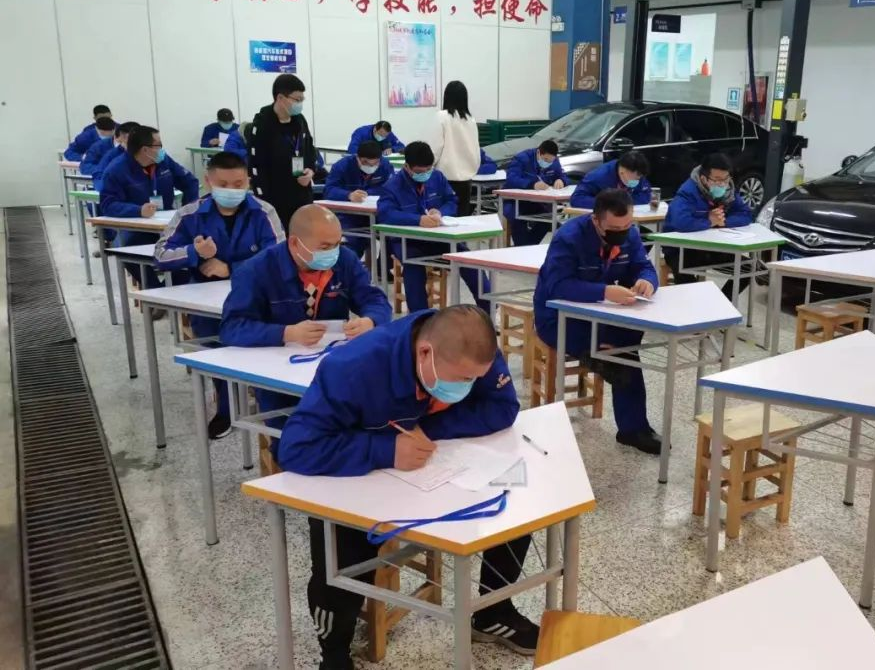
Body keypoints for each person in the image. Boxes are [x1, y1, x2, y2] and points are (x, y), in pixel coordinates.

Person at [277, 305, 538, 668]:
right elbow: (295, 448)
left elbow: (503, 407)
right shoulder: (353, 367)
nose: (467, 387)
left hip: (436, 468)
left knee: (511, 504)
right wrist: (385, 449)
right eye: (462, 379)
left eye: (474, 379)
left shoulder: (474, 350)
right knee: (341, 557)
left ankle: (493, 610)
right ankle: (334, 653)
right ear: (425, 353)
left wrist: (426, 430)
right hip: (364, 480)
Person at [220, 205, 391, 429]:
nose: (333, 253)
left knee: (357, 422)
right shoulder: (256, 271)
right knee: (290, 435)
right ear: (294, 243)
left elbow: (375, 300)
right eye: (325, 247)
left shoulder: (345, 260)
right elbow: (232, 327)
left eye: (338, 244)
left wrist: (370, 320)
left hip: (331, 365)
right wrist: (286, 333)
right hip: (277, 372)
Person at [155, 152, 285, 438]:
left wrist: (231, 268)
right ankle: (226, 409)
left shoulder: (264, 212)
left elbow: (278, 257)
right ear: (208, 181)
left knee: (266, 346)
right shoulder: (190, 214)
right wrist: (194, 252)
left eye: (239, 184)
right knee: (215, 351)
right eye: (223, 184)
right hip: (206, 301)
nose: (232, 190)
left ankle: (269, 406)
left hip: (258, 297)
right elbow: (161, 255)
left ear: (248, 181)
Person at [533, 189, 661, 454]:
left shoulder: (630, 234)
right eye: (615, 228)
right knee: (621, 355)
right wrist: (604, 292)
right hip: (557, 318)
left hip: (600, 315)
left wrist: (647, 281)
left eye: (627, 226)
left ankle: (632, 425)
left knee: (626, 345)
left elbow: (644, 266)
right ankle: (633, 428)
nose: (622, 233)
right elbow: (558, 286)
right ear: (596, 220)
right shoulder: (568, 238)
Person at [376, 141, 489, 313]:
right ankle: (420, 318)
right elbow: (386, 214)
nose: (425, 174)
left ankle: (488, 311)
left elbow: (452, 201)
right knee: (413, 268)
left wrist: (441, 212)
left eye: (428, 169)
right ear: (407, 167)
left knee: (469, 262)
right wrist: (417, 220)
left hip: (440, 238)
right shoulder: (392, 186)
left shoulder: (437, 177)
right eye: (419, 172)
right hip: (408, 242)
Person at [100, 125, 200, 290]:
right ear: (145, 150)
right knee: (125, 248)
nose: (162, 149)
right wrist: (137, 210)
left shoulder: (163, 161)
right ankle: (154, 290)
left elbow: (190, 183)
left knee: (192, 246)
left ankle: (175, 287)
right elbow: (108, 204)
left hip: (168, 225)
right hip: (137, 228)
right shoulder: (117, 169)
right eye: (158, 145)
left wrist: (188, 210)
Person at [662, 153, 752, 299]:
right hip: (680, 249)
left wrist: (723, 222)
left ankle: (721, 304)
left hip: (711, 247)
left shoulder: (729, 191)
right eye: (717, 180)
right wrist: (709, 221)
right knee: (687, 279)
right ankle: (694, 309)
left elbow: (746, 214)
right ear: (703, 178)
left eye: (725, 179)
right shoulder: (688, 192)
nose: (722, 184)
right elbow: (681, 222)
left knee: (748, 268)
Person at [248, 73, 317, 229]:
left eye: (302, 99)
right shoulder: (262, 125)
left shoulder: (300, 120)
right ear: (280, 98)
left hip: (302, 193)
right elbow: (256, 165)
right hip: (275, 196)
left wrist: (310, 170)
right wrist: (263, 200)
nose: (300, 104)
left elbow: (309, 149)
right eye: (297, 99)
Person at [324, 140, 394, 258]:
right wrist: (348, 195)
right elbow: (329, 190)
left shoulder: (385, 165)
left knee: (392, 237)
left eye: (375, 163)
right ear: (357, 157)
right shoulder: (342, 166)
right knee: (353, 243)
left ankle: (382, 268)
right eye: (366, 162)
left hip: (378, 214)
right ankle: (352, 266)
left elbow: (391, 188)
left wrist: (369, 193)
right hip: (349, 216)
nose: (371, 166)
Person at [502, 139, 565, 246]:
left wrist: (561, 180)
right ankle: (523, 248)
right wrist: (532, 185)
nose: (547, 163)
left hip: (536, 202)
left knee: (548, 219)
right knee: (516, 219)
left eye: (550, 161)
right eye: (545, 160)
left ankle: (526, 247)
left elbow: (562, 175)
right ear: (539, 152)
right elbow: (511, 179)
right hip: (514, 201)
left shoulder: (554, 161)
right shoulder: (522, 158)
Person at [432, 80, 480, 216]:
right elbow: (476, 148)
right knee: (462, 220)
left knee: (445, 219)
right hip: (467, 180)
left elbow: (435, 148)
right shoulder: (471, 119)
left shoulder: (441, 116)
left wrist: (428, 166)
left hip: (445, 178)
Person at [569, 152, 651, 209]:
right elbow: (576, 199)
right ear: (623, 171)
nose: (637, 181)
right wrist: (608, 204)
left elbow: (645, 194)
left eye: (639, 178)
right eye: (636, 178)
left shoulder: (637, 174)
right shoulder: (598, 177)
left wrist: (626, 202)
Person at [91, 122, 135, 192]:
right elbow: (98, 175)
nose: (124, 143)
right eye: (122, 140)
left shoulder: (147, 154)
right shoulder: (112, 154)